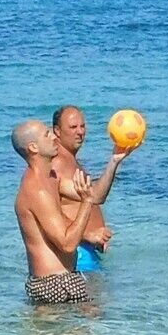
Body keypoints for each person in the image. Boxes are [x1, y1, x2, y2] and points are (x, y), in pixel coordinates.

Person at [14, 120, 120, 304]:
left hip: (66, 278)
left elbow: (95, 196)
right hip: (51, 284)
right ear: (33, 147)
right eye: (47, 134)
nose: (54, 137)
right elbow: (68, 244)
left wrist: (114, 161)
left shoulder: (51, 178)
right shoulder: (36, 190)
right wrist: (86, 202)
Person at [51, 106, 117, 270]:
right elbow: (50, 213)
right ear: (57, 131)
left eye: (82, 126)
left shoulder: (70, 160)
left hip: (87, 252)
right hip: (78, 256)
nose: (80, 132)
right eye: (73, 127)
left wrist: (114, 160)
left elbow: (95, 197)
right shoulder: (57, 164)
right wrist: (88, 236)